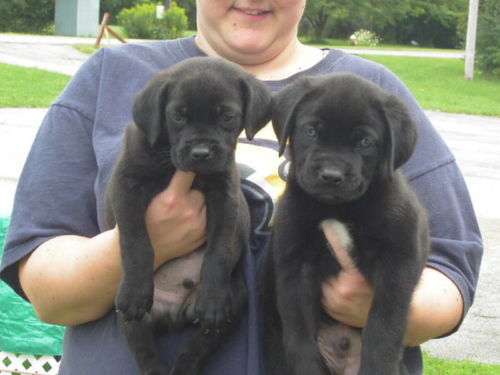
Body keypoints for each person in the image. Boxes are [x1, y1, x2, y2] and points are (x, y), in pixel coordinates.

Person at [0, 1, 482, 374]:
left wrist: (372, 308)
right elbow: (44, 286)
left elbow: (451, 273)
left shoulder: (375, 90)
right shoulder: (110, 77)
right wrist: (145, 245)